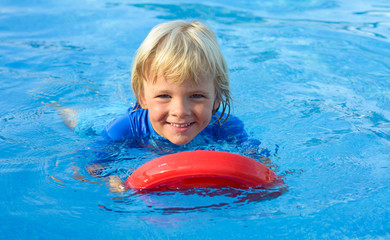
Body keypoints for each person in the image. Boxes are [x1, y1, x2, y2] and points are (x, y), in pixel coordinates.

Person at [100, 20, 249, 148]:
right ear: (142, 97)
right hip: (104, 118)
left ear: (217, 98)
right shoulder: (122, 131)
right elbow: (87, 169)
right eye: (164, 96)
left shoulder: (228, 129)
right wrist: (115, 181)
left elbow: (263, 166)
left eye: (196, 96)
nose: (180, 111)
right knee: (83, 122)